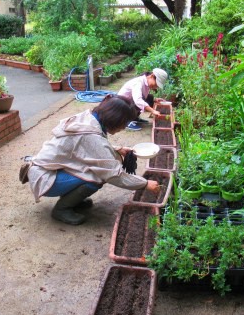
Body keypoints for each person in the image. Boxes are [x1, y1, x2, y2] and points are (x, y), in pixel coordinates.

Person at [27, 95, 161, 225]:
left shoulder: (91, 118)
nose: (124, 127)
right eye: (123, 123)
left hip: (48, 170)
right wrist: (145, 183)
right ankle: (62, 209)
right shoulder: (91, 135)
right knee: (97, 176)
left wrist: (116, 149)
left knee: (96, 170)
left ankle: (72, 200)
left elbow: (84, 146)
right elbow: (114, 175)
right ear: (115, 119)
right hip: (45, 179)